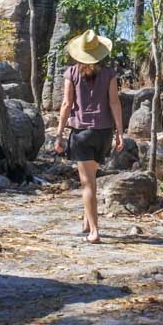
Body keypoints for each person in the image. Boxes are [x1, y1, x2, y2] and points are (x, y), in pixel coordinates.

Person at [54, 29, 124, 243]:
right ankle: (86, 222)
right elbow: (114, 102)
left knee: (87, 184)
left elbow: (66, 104)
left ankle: (94, 231)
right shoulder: (109, 74)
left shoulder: (71, 73)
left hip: (82, 133)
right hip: (104, 133)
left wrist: (59, 134)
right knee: (91, 179)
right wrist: (120, 132)